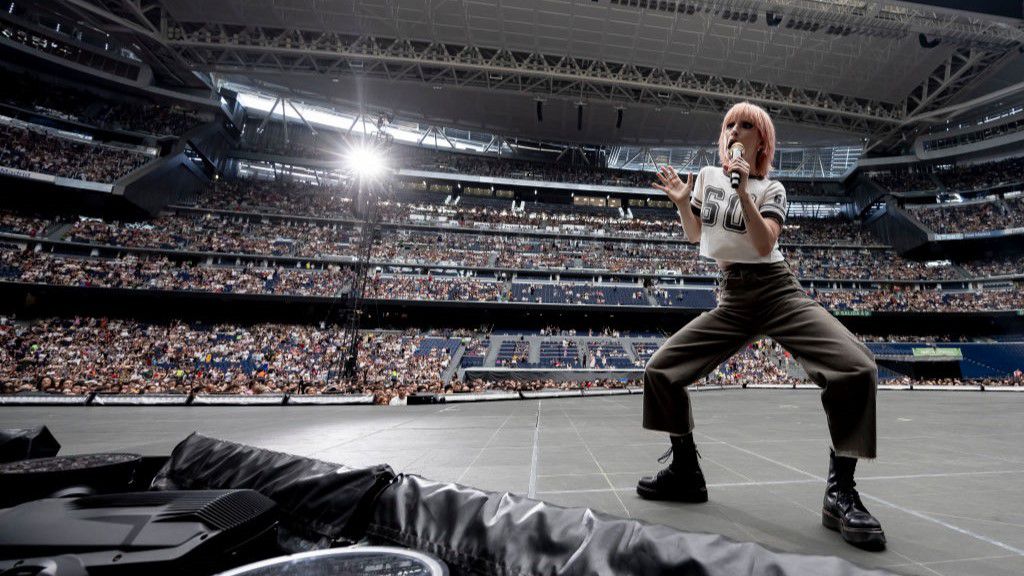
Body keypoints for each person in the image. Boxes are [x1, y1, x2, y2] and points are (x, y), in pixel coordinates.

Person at [638, 102, 885, 550]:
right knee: (660, 371)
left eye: (746, 124)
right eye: (729, 123)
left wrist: (744, 190)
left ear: (762, 141)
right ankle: (686, 472)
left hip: (776, 291)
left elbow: (763, 241)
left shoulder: (773, 188)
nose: (735, 129)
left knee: (857, 367)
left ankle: (840, 493)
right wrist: (681, 204)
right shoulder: (708, 179)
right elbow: (699, 237)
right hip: (733, 295)